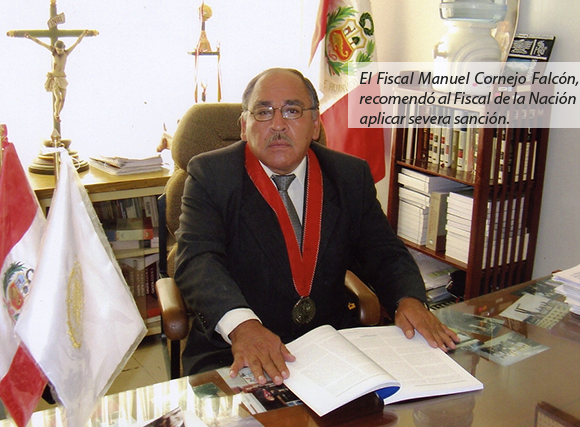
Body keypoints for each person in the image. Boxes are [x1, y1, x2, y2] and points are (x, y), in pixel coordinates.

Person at [174, 68, 459, 386]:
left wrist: (409, 299)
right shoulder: (211, 176)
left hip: (328, 344)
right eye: (264, 112)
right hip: (235, 349)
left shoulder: (349, 175)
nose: (278, 125)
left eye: (292, 111)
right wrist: (242, 326)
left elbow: (384, 252)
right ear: (244, 126)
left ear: (315, 125)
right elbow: (198, 261)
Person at [24, 30, 92, 122]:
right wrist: (30, 37)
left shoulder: (66, 53)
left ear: (63, 49)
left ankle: (58, 114)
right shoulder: (53, 52)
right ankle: (56, 113)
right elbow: (40, 43)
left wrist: (83, 34)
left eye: (60, 50)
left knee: (63, 99)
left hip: (62, 78)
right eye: (58, 50)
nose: (59, 52)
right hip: (55, 78)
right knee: (58, 98)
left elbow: (77, 43)